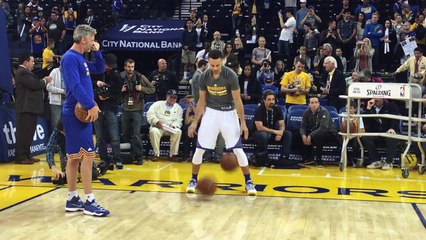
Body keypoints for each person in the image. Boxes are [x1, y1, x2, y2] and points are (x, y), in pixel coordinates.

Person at [186, 50, 257, 196]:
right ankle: (193, 180)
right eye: (212, 65)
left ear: (222, 61)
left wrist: (242, 122)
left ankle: (249, 182)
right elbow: (201, 101)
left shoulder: (230, 75)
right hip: (211, 112)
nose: (215, 68)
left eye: (217, 65)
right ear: (208, 63)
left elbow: (238, 100)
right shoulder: (203, 76)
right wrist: (194, 123)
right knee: (200, 149)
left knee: (237, 149)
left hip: (229, 113)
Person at [60, 24, 109, 216]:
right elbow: (75, 86)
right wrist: (91, 104)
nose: (93, 42)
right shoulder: (70, 58)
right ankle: (89, 201)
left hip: (77, 112)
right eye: (91, 39)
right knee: (87, 157)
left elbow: (99, 67)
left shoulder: (80, 58)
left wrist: (98, 52)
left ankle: (72, 198)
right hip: (77, 112)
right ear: (83, 39)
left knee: (73, 158)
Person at [14, 51, 52, 164]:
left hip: (30, 108)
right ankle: (21, 157)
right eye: (32, 61)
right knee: (24, 133)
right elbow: (35, 85)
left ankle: (27, 154)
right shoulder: (22, 72)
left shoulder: (25, 72)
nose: (33, 64)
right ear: (25, 62)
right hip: (25, 108)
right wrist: (45, 80)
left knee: (29, 132)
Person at [121, 59, 155, 165]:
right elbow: (114, 90)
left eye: (132, 67)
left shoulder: (140, 77)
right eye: (129, 67)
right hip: (125, 108)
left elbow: (152, 89)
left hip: (137, 109)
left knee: (136, 134)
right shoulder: (121, 77)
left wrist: (142, 88)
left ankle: (139, 156)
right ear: (125, 67)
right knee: (125, 133)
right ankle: (128, 155)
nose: (130, 69)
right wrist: (120, 89)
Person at [93, 53, 124, 172]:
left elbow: (118, 94)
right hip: (97, 108)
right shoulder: (97, 73)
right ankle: (104, 159)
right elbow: (89, 86)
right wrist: (98, 91)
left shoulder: (117, 76)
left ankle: (117, 159)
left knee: (114, 136)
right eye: (108, 65)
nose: (109, 67)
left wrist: (107, 96)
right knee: (100, 137)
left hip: (111, 108)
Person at [251, 90, 292, 164]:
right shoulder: (259, 109)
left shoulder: (278, 109)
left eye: (273, 99)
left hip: (272, 133)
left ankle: (284, 157)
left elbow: (282, 124)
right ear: (264, 100)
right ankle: (262, 157)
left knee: (288, 134)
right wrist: (275, 132)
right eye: (269, 99)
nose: (271, 101)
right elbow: (259, 127)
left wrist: (281, 133)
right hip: (258, 133)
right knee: (263, 134)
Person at [300, 97, 338, 167]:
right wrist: (303, 135)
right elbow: (302, 126)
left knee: (319, 136)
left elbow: (323, 128)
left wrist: (310, 135)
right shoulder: (306, 112)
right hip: (315, 132)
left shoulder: (324, 111)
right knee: (298, 135)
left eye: (316, 102)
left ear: (319, 103)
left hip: (330, 133)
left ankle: (319, 160)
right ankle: (307, 158)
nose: (314, 104)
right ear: (309, 104)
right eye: (312, 103)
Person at [362, 98, 399, 170]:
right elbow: (366, 122)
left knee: (391, 137)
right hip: (376, 133)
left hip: (388, 132)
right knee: (365, 137)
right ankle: (377, 160)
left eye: (378, 98)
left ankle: (389, 162)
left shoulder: (391, 106)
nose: (376, 100)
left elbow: (396, 119)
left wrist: (392, 128)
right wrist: (368, 108)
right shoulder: (370, 108)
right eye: (374, 98)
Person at [147, 89, 183, 162]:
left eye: (174, 98)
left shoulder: (178, 108)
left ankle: (173, 155)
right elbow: (150, 114)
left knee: (178, 132)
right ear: (167, 96)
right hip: (158, 127)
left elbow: (179, 120)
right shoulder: (157, 104)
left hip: (170, 128)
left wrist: (174, 126)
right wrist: (156, 122)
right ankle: (156, 154)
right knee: (154, 131)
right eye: (171, 97)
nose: (172, 99)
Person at [46, 66, 65, 131]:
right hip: (56, 103)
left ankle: (64, 141)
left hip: (67, 102)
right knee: (56, 124)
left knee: (66, 124)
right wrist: (62, 91)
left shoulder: (69, 72)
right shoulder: (54, 72)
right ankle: (54, 141)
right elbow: (48, 87)